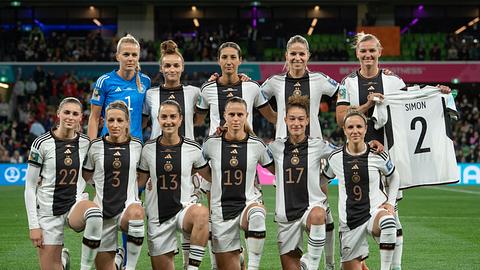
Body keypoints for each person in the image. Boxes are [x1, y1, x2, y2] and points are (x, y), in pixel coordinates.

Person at [336, 32, 451, 270]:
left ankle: (394, 266)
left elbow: (411, 106)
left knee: (392, 213)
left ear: (380, 52)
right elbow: (340, 119)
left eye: (372, 50)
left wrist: (437, 93)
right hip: (356, 157)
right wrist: (368, 104)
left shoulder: (394, 82)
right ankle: (360, 259)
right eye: (363, 51)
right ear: (357, 54)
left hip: (387, 157)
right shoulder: (347, 83)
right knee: (355, 210)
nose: (367, 55)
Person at [261, 34, 338, 269]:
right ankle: (310, 256)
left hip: (313, 150)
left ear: (308, 57)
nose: (297, 57)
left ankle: (328, 262)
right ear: (286, 56)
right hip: (283, 151)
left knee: (321, 207)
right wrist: (275, 120)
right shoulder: (275, 82)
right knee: (293, 200)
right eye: (292, 54)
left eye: (301, 54)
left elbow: (343, 94)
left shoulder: (319, 80)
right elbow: (255, 98)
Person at [24, 97, 102, 270]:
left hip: (75, 205)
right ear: (58, 114)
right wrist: (34, 226)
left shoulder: (85, 143)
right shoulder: (41, 143)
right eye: (66, 112)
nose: (70, 117)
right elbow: (29, 187)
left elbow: (93, 175)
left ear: (81, 118)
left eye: (75, 114)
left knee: (95, 214)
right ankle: (63, 261)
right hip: (48, 211)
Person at [201, 97, 274, 270]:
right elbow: (197, 167)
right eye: (231, 114)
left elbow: (274, 170)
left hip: (248, 203)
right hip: (221, 211)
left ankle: (253, 267)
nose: (235, 118)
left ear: (246, 116)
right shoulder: (211, 144)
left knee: (257, 215)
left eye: (240, 114)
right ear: (224, 115)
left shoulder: (257, 145)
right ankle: (239, 256)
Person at [138, 100, 211, 270]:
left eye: (173, 116)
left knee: (201, 213)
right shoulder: (148, 149)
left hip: (183, 209)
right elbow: (140, 181)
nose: (168, 121)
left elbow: (210, 176)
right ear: (158, 119)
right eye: (164, 117)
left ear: (180, 119)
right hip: (157, 217)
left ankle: (191, 268)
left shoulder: (193, 148)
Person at [323, 109, 400, 270]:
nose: (355, 131)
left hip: (374, 212)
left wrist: (391, 203)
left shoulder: (377, 154)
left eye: (359, 126)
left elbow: (394, 176)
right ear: (344, 129)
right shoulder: (335, 157)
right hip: (349, 221)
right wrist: (321, 202)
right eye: (350, 127)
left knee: (388, 222)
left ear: (365, 128)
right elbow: (323, 179)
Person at [268, 95, 337, 270]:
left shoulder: (319, 145)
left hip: (310, 208)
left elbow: (343, 155)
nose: (296, 123)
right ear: (285, 120)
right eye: (292, 119)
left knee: (319, 214)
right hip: (286, 217)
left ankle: (312, 264)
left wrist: (325, 177)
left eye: (300, 119)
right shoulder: (275, 147)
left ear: (307, 120)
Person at [82, 100, 144, 270]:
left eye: (119, 120)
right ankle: (117, 258)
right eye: (111, 120)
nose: (115, 125)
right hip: (102, 213)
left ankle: (129, 267)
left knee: (137, 212)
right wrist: (98, 186)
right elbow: (86, 176)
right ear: (105, 121)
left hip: (126, 211)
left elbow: (144, 176)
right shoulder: (95, 146)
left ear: (127, 123)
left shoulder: (137, 146)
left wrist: (134, 192)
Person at [196, 41, 277, 135]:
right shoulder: (207, 88)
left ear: (240, 60)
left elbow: (272, 117)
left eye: (233, 57)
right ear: (218, 60)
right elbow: (197, 122)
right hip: (216, 147)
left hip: (247, 147)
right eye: (224, 57)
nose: (229, 62)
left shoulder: (252, 87)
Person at [88, 33, 151, 141]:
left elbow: (145, 117)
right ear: (118, 56)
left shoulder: (146, 81)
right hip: (108, 143)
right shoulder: (104, 81)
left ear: (138, 57)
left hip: (135, 145)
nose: (130, 58)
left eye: (134, 55)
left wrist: (131, 133)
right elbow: (94, 117)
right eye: (126, 54)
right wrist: (91, 146)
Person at [143, 40, 200, 140]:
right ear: (161, 68)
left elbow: (199, 121)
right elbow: (142, 124)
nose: (172, 70)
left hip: (187, 152)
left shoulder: (194, 92)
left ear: (182, 67)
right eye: (167, 66)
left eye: (176, 65)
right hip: (156, 152)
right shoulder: (150, 94)